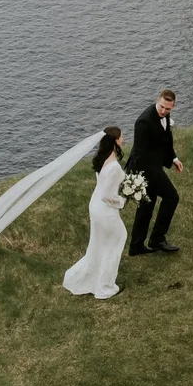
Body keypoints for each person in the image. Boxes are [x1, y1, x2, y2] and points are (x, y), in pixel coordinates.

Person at [62, 127, 128, 300]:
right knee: (117, 240)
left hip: (95, 205)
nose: (123, 138)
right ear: (115, 141)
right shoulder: (113, 166)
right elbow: (108, 196)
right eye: (121, 136)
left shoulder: (101, 158)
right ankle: (105, 287)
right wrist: (122, 201)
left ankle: (89, 278)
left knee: (99, 243)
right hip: (105, 209)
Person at [126, 88, 182, 256]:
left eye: (168, 108)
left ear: (173, 106)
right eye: (162, 107)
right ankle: (157, 239)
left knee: (147, 204)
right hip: (145, 169)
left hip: (153, 165)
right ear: (157, 100)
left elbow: (166, 141)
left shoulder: (164, 116)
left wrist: (174, 159)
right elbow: (139, 155)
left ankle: (136, 246)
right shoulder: (143, 122)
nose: (164, 111)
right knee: (172, 197)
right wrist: (146, 179)